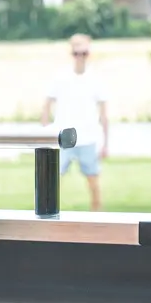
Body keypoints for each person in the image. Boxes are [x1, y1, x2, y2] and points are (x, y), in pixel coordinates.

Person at [42, 34, 109, 212]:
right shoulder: (60, 77)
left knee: (94, 183)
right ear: (71, 53)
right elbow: (47, 106)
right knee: (52, 181)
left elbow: (104, 114)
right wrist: (45, 135)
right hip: (62, 138)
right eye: (76, 53)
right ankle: (48, 217)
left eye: (84, 53)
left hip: (88, 138)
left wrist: (106, 143)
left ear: (89, 53)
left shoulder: (96, 79)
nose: (80, 57)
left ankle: (97, 221)